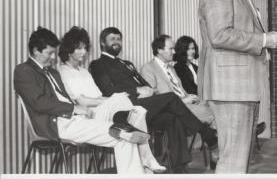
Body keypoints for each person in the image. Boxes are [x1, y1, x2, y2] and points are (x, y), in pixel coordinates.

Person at [198, 0, 277, 173]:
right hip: (231, 89)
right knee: (233, 161)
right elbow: (220, 35)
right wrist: (265, 39)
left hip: (240, 88)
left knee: (239, 160)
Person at [14, 27, 151, 174]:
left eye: (54, 53)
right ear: (36, 51)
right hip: (57, 124)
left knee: (123, 134)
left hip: (75, 120)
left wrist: (80, 112)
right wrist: (74, 109)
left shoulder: (53, 72)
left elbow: (64, 97)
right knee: (122, 134)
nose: (53, 57)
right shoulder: (24, 70)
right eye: (49, 53)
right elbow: (38, 102)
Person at [89, 27, 218, 173]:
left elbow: (146, 84)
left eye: (119, 39)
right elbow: (107, 91)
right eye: (112, 39)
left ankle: (179, 168)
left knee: (172, 117)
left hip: (144, 105)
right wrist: (136, 90)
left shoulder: (126, 63)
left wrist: (149, 90)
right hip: (124, 108)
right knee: (171, 97)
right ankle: (208, 136)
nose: (117, 42)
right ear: (102, 42)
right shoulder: (97, 64)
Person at [58, 26, 166, 173]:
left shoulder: (83, 72)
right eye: (79, 49)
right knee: (122, 100)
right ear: (69, 50)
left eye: (85, 48)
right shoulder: (64, 72)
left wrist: (110, 100)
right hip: (88, 116)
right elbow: (82, 102)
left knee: (138, 111)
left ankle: (146, 158)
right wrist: (110, 100)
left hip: (101, 111)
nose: (83, 52)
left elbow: (99, 96)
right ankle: (146, 157)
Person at [174, 35, 267, 140]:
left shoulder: (195, 67)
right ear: (182, 50)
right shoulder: (178, 68)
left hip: (204, 99)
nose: (191, 51)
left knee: (229, 104)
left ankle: (248, 130)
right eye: (188, 49)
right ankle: (246, 133)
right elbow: (188, 90)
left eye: (192, 48)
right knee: (221, 110)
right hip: (196, 103)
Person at [141, 34, 215, 128]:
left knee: (216, 107)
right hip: (176, 108)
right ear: (159, 50)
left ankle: (210, 139)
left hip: (187, 103)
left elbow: (180, 90)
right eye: (170, 49)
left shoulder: (171, 68)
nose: (174, 51)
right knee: (215, 115)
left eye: (174, 48)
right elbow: (154, 100)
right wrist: (183, 101)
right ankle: (214, 140)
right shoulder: (148, 69)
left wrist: (189, 96)